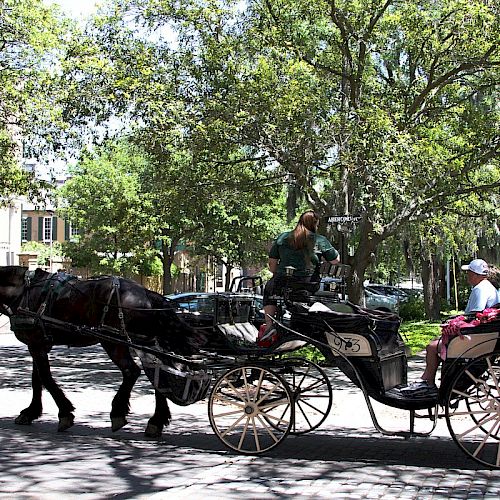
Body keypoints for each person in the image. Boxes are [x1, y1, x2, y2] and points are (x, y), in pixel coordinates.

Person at [404, 258, 498, 395]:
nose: (467, 276)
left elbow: (474, 315)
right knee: (437, 342)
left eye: (469, 273)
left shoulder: (480, 289)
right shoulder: (489, 287)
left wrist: (454, 322)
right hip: (482, 334)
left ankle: (428, 381)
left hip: (474, 336)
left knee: (431, 347)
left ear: (476, 274)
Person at [262, 210, 340, 336]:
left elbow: (272, 265)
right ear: (314, 224)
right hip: (308, 283)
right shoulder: (320, 240)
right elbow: (335, 260)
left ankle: (269, 326)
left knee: (269, 289)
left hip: (283, 283)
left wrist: (279, 274)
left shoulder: (283, 237)